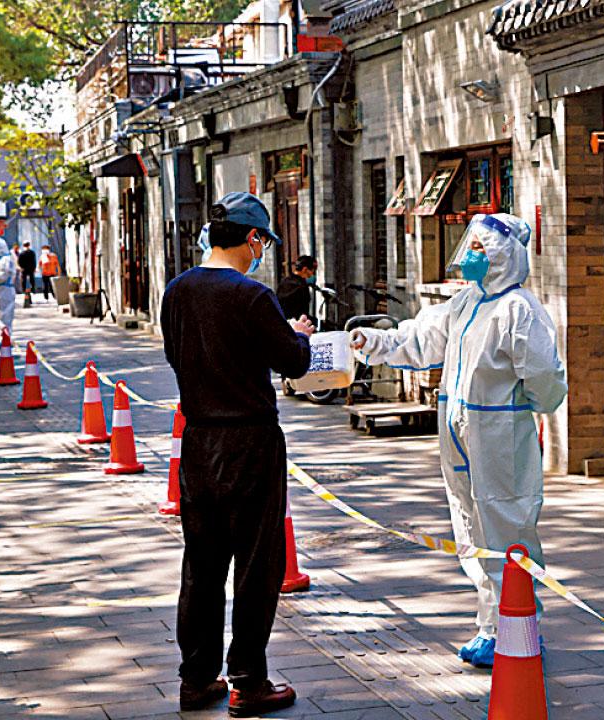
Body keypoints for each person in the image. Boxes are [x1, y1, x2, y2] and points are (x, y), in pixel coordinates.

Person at [350, 213, 567, 668]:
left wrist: (521, 408)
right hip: (460, 438)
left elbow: (545, 378)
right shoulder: (465, 303)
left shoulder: (518, 309)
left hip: (500, 439)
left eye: (480, 248)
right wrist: (371, 341)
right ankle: (491, 627)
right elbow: (418, 340)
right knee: (471, 528)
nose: (470, 255)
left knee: (507, 528)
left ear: (503, 256)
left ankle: (519, 629)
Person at [160, 192, 314, 717]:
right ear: (252, 239)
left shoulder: (177, 291)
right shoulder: (252, 296)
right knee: (255, 564)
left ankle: (197, 678)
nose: (261, 252)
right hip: (249, 441)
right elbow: (293, 362)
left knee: (202, 565)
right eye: (263, 242)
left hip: (198, 441)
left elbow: (176, 355)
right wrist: (297, 335)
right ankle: (249, 681)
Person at [0, 238, 17, 347]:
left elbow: (2, 275)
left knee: (4, 315)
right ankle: (2, 337)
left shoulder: (6, 260)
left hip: (5, 290)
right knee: (0, 314)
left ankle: (4, 338)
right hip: (1, 291)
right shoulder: (2, 259)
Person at [275, 256, 317, 324]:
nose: (312, 274)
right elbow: (303, 313)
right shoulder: (302, 287)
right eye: (313, 271)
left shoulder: (284, 281)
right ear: (305, 269)